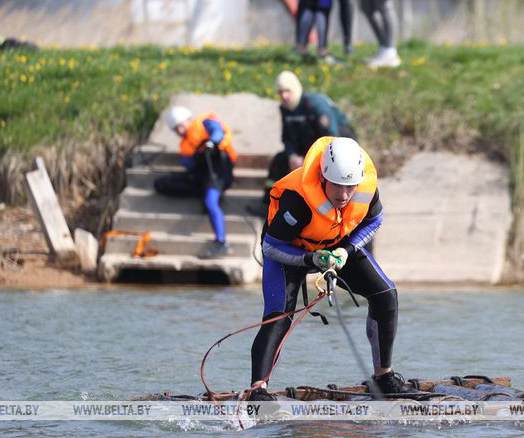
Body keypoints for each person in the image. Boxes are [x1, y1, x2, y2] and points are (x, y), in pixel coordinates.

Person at [246, 136, 407, 401]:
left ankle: (383, 377)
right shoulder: (297, 200)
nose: (344, 195)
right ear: (322, 177)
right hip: (290, 250)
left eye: (350, 187)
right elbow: (271, 248)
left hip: (336, 247)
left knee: (386, 294)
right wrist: (311, 260)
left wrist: (347, 250)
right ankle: (258, 389)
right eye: (337, 186)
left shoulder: (366, 188)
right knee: (278, 315)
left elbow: (375, 221)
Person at [247, 70, 356, 216]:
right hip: (307, 147)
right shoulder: (285, 109)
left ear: (295, 89)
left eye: (287, 91)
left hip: (336, 150)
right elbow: (287, 138)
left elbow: (331, 139)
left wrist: (307, 160)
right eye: (280, 92)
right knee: (278, 162)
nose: (284, 96)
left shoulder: (315, 105)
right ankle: (269, 204)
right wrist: (292, 155)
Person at [153, 106, 237, 259]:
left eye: (181, 125)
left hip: (220, 169)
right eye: (176, 129)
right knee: (162, 183)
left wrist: (211, 143)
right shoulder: (184, 146)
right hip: (203, 175)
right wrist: (198, 156)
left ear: (188, 120)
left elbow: (217, 131)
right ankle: (208, 194)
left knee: (211, 202)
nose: (179, 130)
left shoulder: (204, 122)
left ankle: (221, 242)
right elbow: (189, 164)